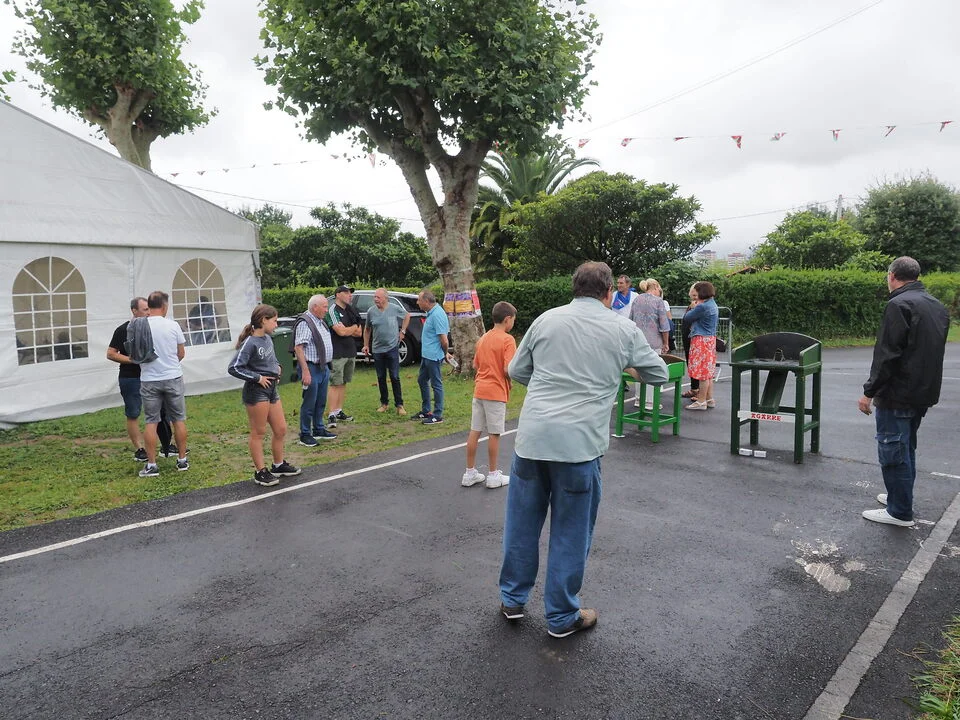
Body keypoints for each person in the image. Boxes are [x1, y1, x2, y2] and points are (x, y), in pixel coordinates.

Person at [498, 261, 668, 638]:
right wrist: (625, 369)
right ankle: (561, 616)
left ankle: (512, 599)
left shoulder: (546, 320)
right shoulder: (622, 329)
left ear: (574, 288)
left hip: (532, 439)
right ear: (609, 292)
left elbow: (517, 370)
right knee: (571, 531)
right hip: (578, 446)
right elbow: (657, 373)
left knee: (521, 524)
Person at [858, 256, 949, 527]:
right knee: (905, 447)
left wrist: (869, 392)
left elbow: (887, 355)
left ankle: (899, 511)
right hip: (923, 392)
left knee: (893, 450)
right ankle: (899, 497)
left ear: (892, 275)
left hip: (897, 393)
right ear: (917, 276)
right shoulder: (936, 306)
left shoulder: (898, 305)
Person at [228, 304, 302, 487]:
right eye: (274, 321)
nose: (276, 324)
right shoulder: (250, 343)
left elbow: (272, 359)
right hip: (256, 392)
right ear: (263, 320)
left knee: (281, 429)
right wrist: (258, 378)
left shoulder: (268, 338)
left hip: (272, 389)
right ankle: (260, 471)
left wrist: (278, 367)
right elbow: (234, 367)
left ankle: (278, 465)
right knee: (258, 432)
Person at [106, 297, 171, 461]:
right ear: (134, 311)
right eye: (145, 309)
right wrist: (133, 360)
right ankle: (139, 449)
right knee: (133, 412)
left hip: (153, 375)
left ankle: (166, 445)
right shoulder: (123, 330)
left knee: (161, 411)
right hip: (131, 377)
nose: (148, 312)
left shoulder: (154, 328)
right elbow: (111, 353)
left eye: (149, 309)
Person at [462, 301, 517, 489]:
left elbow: (475, 365)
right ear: (507, 319)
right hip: (496, 391)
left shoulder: (483, 338)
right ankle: (493, 475)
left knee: (475, 430)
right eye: (513, 320)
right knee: (494, 433)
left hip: (480, 390)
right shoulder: (508, 340)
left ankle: (469, 472)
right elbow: (507, 368)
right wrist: (512, 377)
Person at [137, 291, 189, 478]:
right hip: (173, 377)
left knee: (151, 421)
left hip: (149, 379)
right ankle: (182, 460)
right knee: (178, 419)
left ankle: (152, 465)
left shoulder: (140, 326)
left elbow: (135, 353)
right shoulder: (173, 325)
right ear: (164, 306)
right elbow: (181, 353)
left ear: (149, 306)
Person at [293, 294, 337, 446]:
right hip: (311, 367)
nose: (326, 310)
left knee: (320, 401)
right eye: (324, 307)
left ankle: (318, 429)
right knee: (309, 402)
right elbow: (299, 348)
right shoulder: (305, 323)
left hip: (323, 366)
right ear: (315, 307)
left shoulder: (320, 321)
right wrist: (305, 371)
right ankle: (305, 434)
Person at [362, 288, 409, 415]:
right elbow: (367, 329)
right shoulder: (371, 311)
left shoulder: (394, 308)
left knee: (394, 376)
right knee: (381, 377)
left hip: (392, 348)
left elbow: (407, 316)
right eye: (375, 297)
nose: (375, 299)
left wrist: (403, 331)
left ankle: (399, 405)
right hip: (377, 349)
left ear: (385, 298)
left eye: (378, 297)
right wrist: (366, 345)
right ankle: (384, 404)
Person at [413, 289, 454, 425]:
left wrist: (445, 353)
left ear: (426, 301)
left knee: (436, 384)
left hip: (434, 357)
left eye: (419, 300)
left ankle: (437, 415)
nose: (417, 302)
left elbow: (444, 340)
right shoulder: (431, 313)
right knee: (422, 380)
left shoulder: (437, 315)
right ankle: (426, 411)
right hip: (427, 355)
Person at [325, 285, 363, 428]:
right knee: (335, 383)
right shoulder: (332, 310)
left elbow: (359, 332)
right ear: (338, 294)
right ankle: (331, 414)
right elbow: (340, 332)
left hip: (350, 351)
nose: (349, 295)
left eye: (350, 293)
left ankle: (338, 410)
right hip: (338, 352)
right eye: (346, 293)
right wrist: (351, 329)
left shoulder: (351, 310)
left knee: (343, 382)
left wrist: (348, 329)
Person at [683, 281, 719, 411]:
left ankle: (701, 401)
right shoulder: (712, 304)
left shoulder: (702, 307)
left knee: (703, 373)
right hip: (710, 339)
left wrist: (693, 307)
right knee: (708, 373)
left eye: (697, 291)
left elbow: (687, 318)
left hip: (701, 340)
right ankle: (709, 398)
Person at [680, 284, 701, 400]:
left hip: (695, 339)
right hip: (687, 338)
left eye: (695, 295)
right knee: (691, 363)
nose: (693, 298)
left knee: (697, 364)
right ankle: (694, 388)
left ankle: (699, 391)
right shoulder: (693, 305)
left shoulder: (699, 306)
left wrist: (693, 309)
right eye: (692, 296)